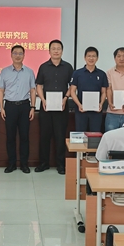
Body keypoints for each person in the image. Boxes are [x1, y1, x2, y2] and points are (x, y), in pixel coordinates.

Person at [35, 39, 74, 175]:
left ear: (62, 51)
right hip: (46, 106)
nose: (56, 51)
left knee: (60, 135)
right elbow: (39, 86)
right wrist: (43, 99)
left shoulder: (68, 67)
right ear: (49, 51)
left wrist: (65, 98)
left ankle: (61, 165)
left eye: (58, 48)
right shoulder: (43, 67)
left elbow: (72, 86)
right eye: (53, 48)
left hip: (62, 106)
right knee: (44, 136)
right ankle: (43, 163)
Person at [0, 45, 36, 174]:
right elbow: (1, 90)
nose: (18, 56)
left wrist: (33, 107)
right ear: (11, 55)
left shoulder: (29, 72)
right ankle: (12, 164)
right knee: (10, 137)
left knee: (25, 137)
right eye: (15, 53)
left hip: (25, 106)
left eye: (20, 53)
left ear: (24, 55)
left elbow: (33, 90)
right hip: (10, 106)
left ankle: (24, 164)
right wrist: (1, 108)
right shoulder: (5, 72)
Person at [70, 47, 108, 132]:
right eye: (89, 56)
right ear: (85, 57)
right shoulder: (77, 73)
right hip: (81, 110)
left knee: (95, 134)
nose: (91, 58)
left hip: (96, 111)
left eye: (93, 56)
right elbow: (72, 91)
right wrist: (79, 105)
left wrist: (101, 104)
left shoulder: (102, 74)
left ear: (97, 58)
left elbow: (104, 92)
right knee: (80, 134)